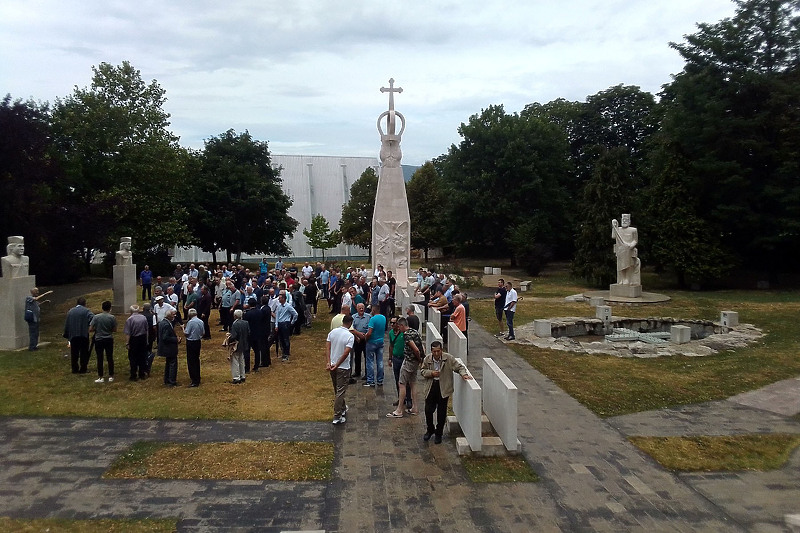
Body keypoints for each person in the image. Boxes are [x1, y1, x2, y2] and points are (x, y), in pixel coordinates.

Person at [420, 341, 472, 444]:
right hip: (431, 387)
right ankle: (430, 429)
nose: (436, 354)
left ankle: (439, 433)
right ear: (431, 351)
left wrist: (463, 374)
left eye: (438, 351)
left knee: (441, 412)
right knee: (428, 410)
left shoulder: (448, 358)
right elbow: (422, 371)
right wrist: (431, 373)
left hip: (443, 387)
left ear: (441, 350)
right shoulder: (427, 359)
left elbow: (459, 367)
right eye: (434, 351)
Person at [326, 314, 354, 425]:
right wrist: (338, 364)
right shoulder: (349, 336)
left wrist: (329, 362)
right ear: (350, 323)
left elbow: (327, 347)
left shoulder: (332, 332)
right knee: (340, 391)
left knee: (337, 390)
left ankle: (342, 408)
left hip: (332, 365)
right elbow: (346, 352)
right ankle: (337, 415)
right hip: (342, 367)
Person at [63, 297, 94, 374]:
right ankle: (83, 368)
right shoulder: (86, 311)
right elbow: (94, 319)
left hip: (73, 335)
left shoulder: (70, 311)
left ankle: (74, 369)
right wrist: (91, 326)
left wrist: (66, 334)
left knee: (74, 352)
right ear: (84, 304)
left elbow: (67, 323)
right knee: (84, 352)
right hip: (83, 334)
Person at [89, 300, 117, 383]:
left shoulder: (96, 317)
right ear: (110, 308)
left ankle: (100, 376)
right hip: (108, 338)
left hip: (99, 339)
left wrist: (96, 329)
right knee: (109, 357)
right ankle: (111, 375)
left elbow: (90, 329)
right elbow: (114, 329)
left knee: (99, 358)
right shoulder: (112, 317)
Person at [612, 213, 639, 286]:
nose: (624, 221)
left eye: (626, 220)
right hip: (620, 250)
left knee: (629, 264)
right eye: (623, 219)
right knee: (621, 265)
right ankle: (622, 278)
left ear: (629, 221)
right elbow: (614, 236)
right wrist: (614, 226)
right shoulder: (618, 229)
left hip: (629, 250)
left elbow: (635, 240)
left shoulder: (633, 230)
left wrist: (631, 245)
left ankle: (627, 279)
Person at [123, 304, 149, 381]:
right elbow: (146, 330)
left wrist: (127, 343)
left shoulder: (130, 319)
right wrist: (146, 340)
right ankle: (142, 374)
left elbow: (128, 333)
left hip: (134, 339)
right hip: (142, 338)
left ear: (131, 311)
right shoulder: (143, 318)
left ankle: (133, 375)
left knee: (133, 357)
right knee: (142, 356)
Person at [364, 304, 387, 387]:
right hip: (380, 341)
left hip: (372, 341)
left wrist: (366, 338)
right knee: (380, 361)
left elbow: (369, 332)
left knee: (370, 361)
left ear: (373, 310)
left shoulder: (372, 319)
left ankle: (370, 380)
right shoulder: (383, 318)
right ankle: (380, 380)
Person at [158, 308, 181, 387]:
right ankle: (172, 381)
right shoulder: (166, 325)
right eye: (173, 315)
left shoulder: (162, 322)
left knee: (168, 363)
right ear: (168, 316)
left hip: (166, 348)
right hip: (169, 348)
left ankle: (167, 379)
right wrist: (176, 339)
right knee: (172, 364)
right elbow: (165, 337)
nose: (174, 316)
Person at [273, 292, 298, 362]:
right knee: (281, 339)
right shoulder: (279, 306)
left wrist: (292, 322)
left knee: (286, 339)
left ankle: (286, 354)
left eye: (280, 298)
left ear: (283, 299)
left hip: (285, 323)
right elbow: (277, 316)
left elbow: (295, 314)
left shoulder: (288, 306)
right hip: (280, 323)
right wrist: (276, 325)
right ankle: (283, 352)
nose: (279, 300)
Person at [183, 308, 204, 387]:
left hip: (191, 342)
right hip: (198, 341)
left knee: (191, 361)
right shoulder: (201, 321)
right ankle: (197, 376)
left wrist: (183, 329)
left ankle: (194, 379)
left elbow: (186, 333)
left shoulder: (190, 322)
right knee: (196, 359)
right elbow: (203, 332)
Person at [228, 309, 250, 383]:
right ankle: (242, 375)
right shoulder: (246, 323)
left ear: (235, 316)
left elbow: (234, 336)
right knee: (241, 360)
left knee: (235, 360)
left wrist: (228, 339)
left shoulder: (235, 324)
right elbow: (248, 332)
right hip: (244, 343)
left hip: (236, 344)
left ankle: (236, 377)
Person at [244, 298, 263, 372]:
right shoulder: (260, 312)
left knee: (247, 351)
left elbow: (246, 325)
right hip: (258, 334)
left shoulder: (247, 314)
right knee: (257, 351)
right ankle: (256, 366)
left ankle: (247, 368)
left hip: (249, 335)